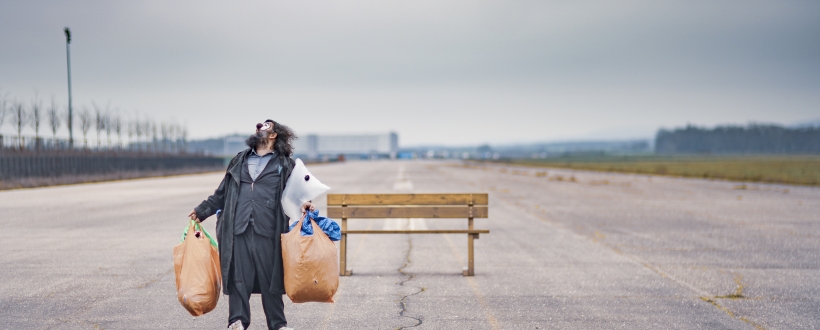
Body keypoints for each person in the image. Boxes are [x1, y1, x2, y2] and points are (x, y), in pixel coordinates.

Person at [188, 119, 313, 330]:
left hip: (269, 229)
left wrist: (305, 204)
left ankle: (278, 325)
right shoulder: (239, 160)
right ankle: (237, 322)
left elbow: (298, 194)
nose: (259, 127)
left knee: (270, 280)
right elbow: (222, 193)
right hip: (238, 228)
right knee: (238, 278)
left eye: (265, 126)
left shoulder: (285, 164)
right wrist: (202, 211)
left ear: (274, 135)